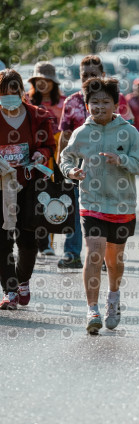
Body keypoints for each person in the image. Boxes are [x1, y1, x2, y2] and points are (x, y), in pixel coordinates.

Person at [60, 77, 139, 334]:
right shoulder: (82, 133)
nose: (99, 107)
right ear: (87, 104)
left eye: (105, 102)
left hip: (122, 205)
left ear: (116, 104)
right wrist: (72, 172)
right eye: (94, 102)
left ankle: (113, 297)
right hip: (91, 202)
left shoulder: (129, 132)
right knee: (94, 253)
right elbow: (65, 158)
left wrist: (121, 159)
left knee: (114, 261)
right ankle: (92, 309)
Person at [57, 55, 134, 269]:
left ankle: (100, 256)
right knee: (76, 211)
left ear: (103, 75)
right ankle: (72, 253)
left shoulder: (118, 101)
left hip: (110, 169)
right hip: (80, 169)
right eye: (85, 75)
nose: (89, 79)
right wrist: (62, 168)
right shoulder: (72, 102)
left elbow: (130, 133)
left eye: (94, 74)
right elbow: (64, 136)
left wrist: (123, 161)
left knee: (105, 213)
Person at [0, 69, 55, 309]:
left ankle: (23, 280)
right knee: (2, 241)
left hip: (28, 184)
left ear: (22, 91)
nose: (9, 95)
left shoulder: (36, 116)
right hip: (1, 188)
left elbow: (48, 145)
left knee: (28, 239)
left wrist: (40, 155)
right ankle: (10, 291)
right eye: (4, 92)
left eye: (14, 90)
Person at [27, 61, 66, 256]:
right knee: (34, 199)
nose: (43, 84)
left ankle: (48, 241)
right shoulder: (26, 101)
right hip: (33, 157)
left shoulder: (63, 102)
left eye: (47, 80)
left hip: (56, 157)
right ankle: (35, 241)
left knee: (53, 197)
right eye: (39, 80)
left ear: (53, 82)